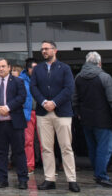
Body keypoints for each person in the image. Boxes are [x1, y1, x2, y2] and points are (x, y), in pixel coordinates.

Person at [30, 40, 79, 192]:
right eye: (42, 49)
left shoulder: (64, 68)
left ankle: (72, 180)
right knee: (46, 148)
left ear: (55, 50)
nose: (44, 51)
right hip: (43, 113)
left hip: (62, 112)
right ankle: (49, 178)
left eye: (47, 48)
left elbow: (69, 88)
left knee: (66, 147)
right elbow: (33, 87)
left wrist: (55, 102)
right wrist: (44, 101)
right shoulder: (37, 69)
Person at [72, 51, 112, 188]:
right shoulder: (105, 77)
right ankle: (101, 175)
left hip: (86, 119)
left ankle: (98, 173)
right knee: (105, 149)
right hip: (103, 118)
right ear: (99, 63)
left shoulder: (78, 78)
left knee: (93, 148)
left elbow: (74, 99)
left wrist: (78, 113)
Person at [0, 58, 29, 189]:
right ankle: (2, 179)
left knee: (19, 152)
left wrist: (8, 107)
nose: (1, 69)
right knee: (1, 153)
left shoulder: (18, 81)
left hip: (14, 123)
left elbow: (21, 97)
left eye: (3, 66)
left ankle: (22, 179)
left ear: (9, 67)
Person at [22, 59, 38, 172]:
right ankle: (29, 165)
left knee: (44, 142)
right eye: (33, 68)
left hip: (42, 112)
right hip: (27, 112)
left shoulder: (42, 79)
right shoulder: (20, 80)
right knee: (28, 140)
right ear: (28, 68)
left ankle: (48, 165)